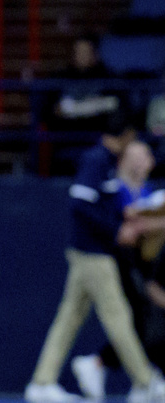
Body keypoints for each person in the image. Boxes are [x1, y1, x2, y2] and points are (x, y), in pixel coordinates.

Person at [25, 132, 165, 403]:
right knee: (118, 317)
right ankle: (145, 381)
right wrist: (116, 230)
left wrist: (124, 220)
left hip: (92, 252)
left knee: (68, 319)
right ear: (123, 134)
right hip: (93, 254)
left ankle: (42, 382)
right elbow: (80, 205)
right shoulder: (96, 159)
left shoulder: (109, 162)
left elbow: (103, 205)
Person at [71, 141, 161, 401]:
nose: (143, 161)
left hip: (138, 263)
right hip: (117, 261)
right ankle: (139, 379)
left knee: (137, 319)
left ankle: (103, 366)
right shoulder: (118, 189)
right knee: (128, 319)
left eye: (145, 156)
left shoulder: (145, 190)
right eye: (136, 156)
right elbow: (127, 222)